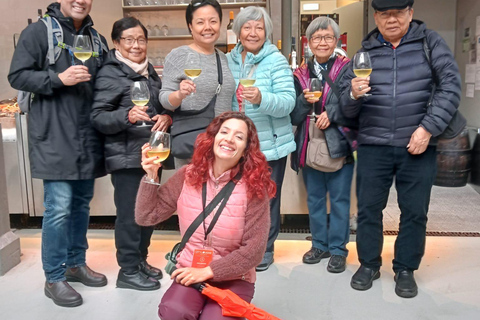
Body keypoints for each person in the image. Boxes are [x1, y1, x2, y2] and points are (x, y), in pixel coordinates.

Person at [339, 0, 461, 298]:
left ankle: (405, 268)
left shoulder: (430, 43)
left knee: (415, 211)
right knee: (368, 210)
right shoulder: (363, 52)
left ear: (410, 13)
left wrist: (428, 128)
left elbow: (451, 85)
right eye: (384, 14)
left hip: (417, 145)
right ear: (376, 16)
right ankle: (368, 264)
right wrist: (353, 95)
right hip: (372, 145)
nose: (391, 19)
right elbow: (342, 104)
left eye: (398, 13)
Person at [8, 0, 108, 307]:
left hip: (87, 137)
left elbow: (105, 82)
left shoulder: (97, 39)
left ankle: (76, 263)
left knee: (80, 206)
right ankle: (54, 277)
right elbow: (18, 75)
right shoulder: (37, 33)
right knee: (59, 208)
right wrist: (57, 79)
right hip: (53, 136)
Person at [135, 111, 276, 319]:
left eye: (239, 136)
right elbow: (146, 217)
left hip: (235, 275)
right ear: (213, 138)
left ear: (247, 149)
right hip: (191, 268)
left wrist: (208, 271)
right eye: (224, 132)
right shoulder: (187, 175)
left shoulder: (254, 188)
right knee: (174, 310)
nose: (229, 139)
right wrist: (151, 176)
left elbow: (254, 251)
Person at [91, 17, 171, 291]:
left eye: (141, 39)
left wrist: (166, 118)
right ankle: (127, 271)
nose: (136, 45)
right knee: (129, 215)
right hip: (126, 156)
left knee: (147, 212)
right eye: (129, 40)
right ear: (116, 43)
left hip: (151, 153)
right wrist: (126, 116)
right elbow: (98, 117)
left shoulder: (148, 70)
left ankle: (140, 261)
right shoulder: (110, 72)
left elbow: (160, 104)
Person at [226, 6, 296, 271]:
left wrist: (261, 98)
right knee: (238, 198)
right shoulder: (229, 60)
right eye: (247, 26)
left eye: (259, 27)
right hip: (237, 144)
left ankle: (265, 248)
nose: (253, 32)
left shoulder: (275, 60)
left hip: (271, 145)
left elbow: (288, 103)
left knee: (266, 199)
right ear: (238, 31)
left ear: (266, 31)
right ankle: (242, 246)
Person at [291, 17, 356, 274]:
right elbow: (294, 117)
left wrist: (333, 112)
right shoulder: (299, 74)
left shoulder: (348, 69)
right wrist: (305, 102)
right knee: (315, 199)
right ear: (308, 42)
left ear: (336, 41)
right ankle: (319, 244)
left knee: (339, 200)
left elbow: (355, 105)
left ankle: (339, 250)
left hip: (338, 140)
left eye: (328, 37)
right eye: (317, 38)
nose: (322, 42)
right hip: (309, 141)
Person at [159, 0, 235, 168]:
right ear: (190, 27)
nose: (207, 27)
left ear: (220, 24)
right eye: (200, 22)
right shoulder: (179, 55)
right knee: (192, 194)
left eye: (213, 21)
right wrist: (179, 94)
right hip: (192, 146)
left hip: (222, 145)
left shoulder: (223, 58)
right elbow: (164, 99)